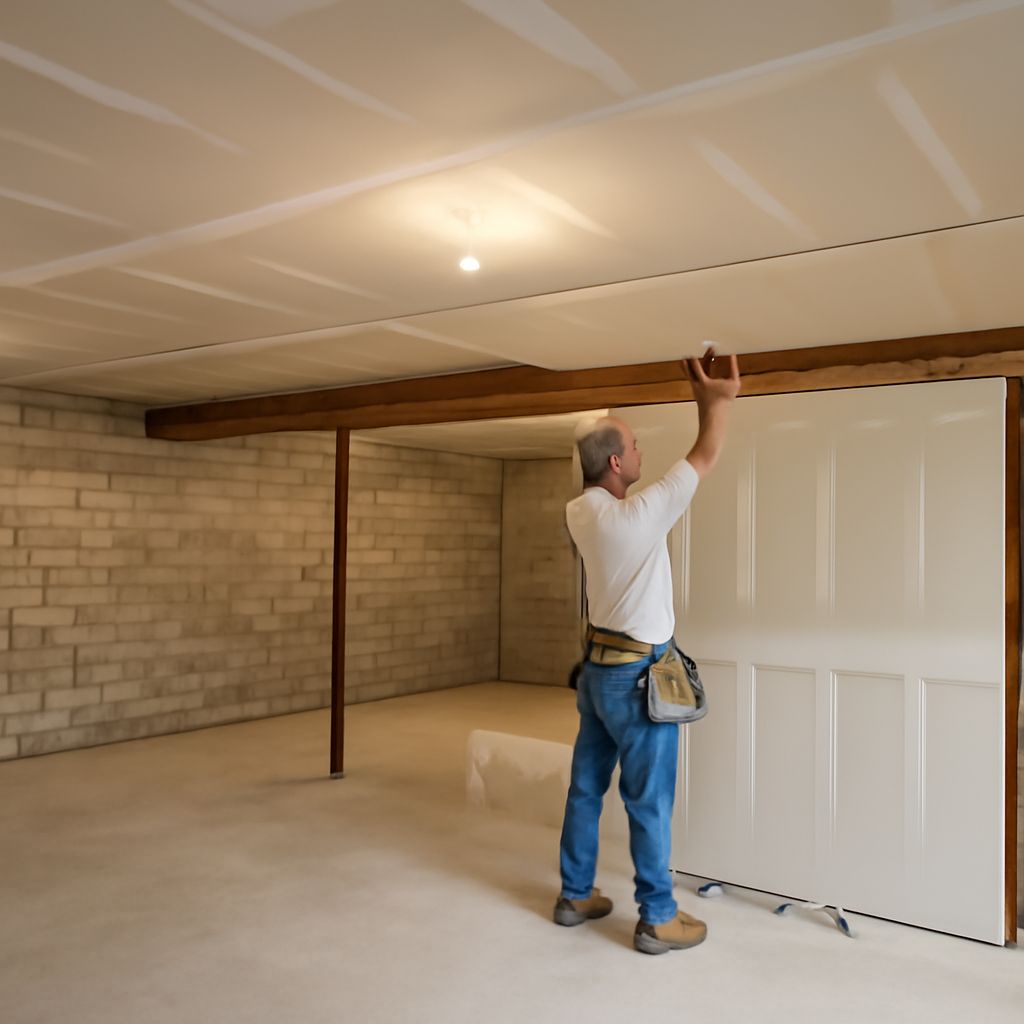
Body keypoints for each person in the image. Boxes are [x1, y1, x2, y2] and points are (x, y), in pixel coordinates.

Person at [553, 348, 741, 955]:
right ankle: (658, 916)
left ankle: (576, 894)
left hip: (597, 675)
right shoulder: (635, 515)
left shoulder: (582, 511)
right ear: (615, 462)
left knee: (587, 786)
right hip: (635, 679)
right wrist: (715, 401)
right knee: (648, 799)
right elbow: (705, 455)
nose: (640, 456)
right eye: (633, 448)